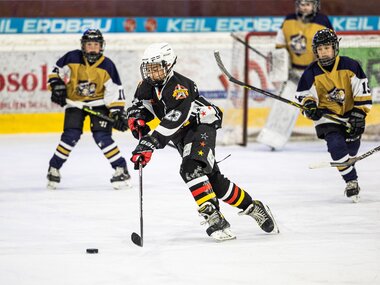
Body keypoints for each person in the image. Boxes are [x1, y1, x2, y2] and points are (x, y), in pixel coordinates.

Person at [126, 42, 279, 241]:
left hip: (200, 126)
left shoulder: (179, 87)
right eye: (149, 68)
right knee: (215, 182)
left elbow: (175, 118)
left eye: (157, 68)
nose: (152, 73)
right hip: (182, 135)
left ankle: (214, 217)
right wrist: (137, 118)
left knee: (190, 169)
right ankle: (253, 207)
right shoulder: (145, 86)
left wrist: (150, 142)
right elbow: (141, 105)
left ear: (169, 65)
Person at [46, 29, 131, 190]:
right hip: (75, 103)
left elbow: (114, 92)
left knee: (102, 137)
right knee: (70, 136)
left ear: (101, 46)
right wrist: (57, 86)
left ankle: (121, 169)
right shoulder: (72, 57)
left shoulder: (107, 65)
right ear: (83, 46)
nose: (92, 48)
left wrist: (117, 112)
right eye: (89, 44)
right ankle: (54, 168)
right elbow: (54, 72)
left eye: (96, 44)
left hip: (98, 104)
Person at [295, 28, 372, 202]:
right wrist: (309, 106)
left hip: (351, 115)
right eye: (320, 49)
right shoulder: (311, 72)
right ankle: (351, 181)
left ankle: (348, 163)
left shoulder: (351, 66)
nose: (324, 52)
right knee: (336, 146)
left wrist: (359, 114)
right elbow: (303, 95)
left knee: (351, 150)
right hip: (327, 117)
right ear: (316, 51)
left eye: (327, 48)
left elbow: (362, 91)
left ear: (335, 48)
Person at [257, 0, 333, 150]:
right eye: (302, 4)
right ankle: (273, 140)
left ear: (315, 6)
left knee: (327, 104)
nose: (304, 8)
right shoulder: (289, 20)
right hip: (294, 73)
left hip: (317, 73)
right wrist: (287, 70)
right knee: (284, 105)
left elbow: (329, 49)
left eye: (308, 4)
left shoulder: (323, 21)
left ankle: (338, 137)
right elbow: (280, 47)